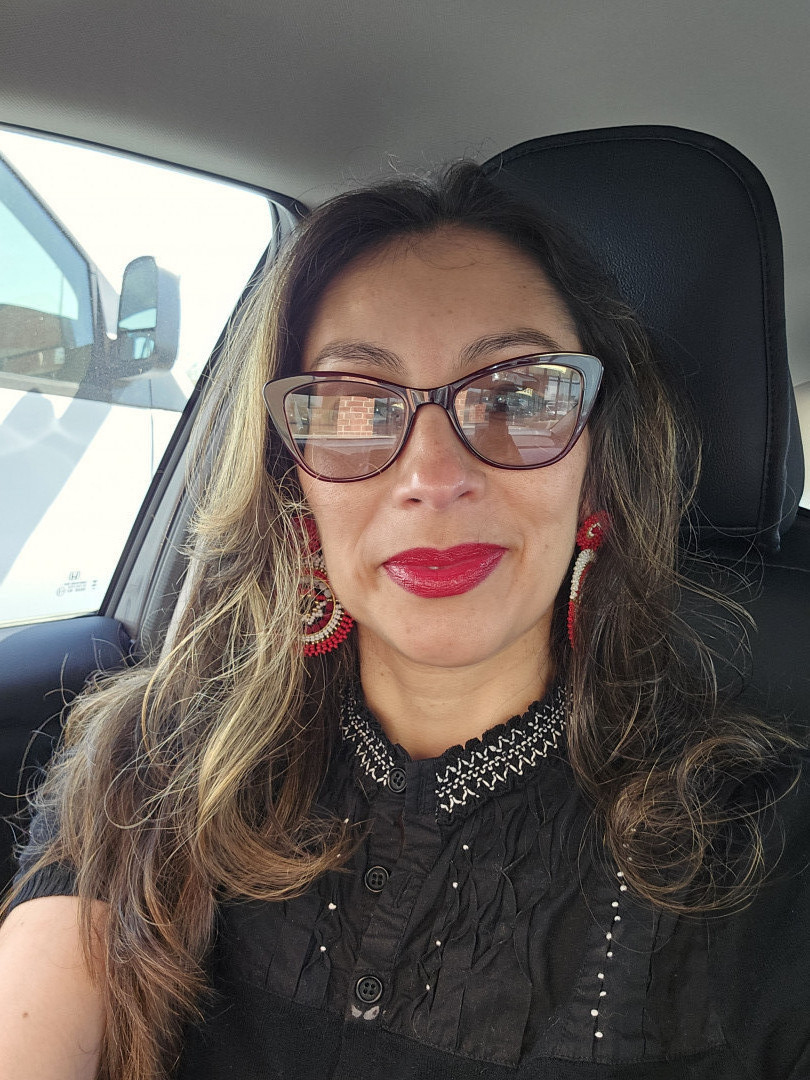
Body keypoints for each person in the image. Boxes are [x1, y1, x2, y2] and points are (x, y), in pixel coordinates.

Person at [0, 163, 807, 1080]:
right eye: (353, 406)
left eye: (518, 396)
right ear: (293, 479)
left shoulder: (767, 849)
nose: (433, 476)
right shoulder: (147, 761)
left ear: (598, 458)